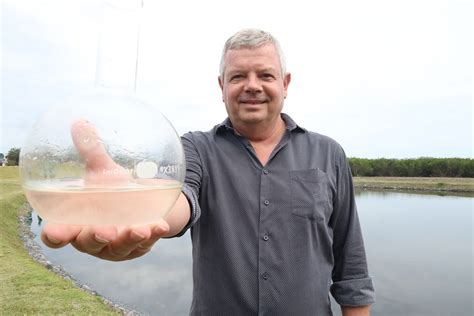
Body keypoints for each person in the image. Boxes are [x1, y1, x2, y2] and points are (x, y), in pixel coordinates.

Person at [42, 28, 375, 315]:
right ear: (221, 86)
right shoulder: (196, 148)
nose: (252, 86)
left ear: (285, 83)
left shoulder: (327, 153)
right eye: (238, 76)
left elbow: (352, 266)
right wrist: (139, 210)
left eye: (265, 75)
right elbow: (179, 199)